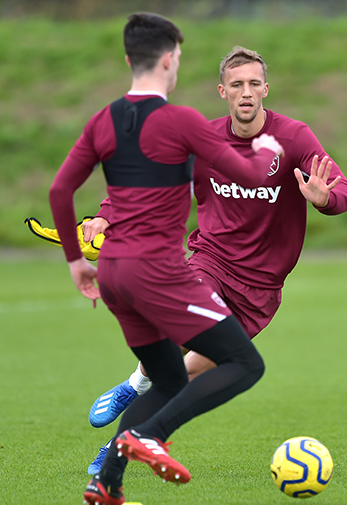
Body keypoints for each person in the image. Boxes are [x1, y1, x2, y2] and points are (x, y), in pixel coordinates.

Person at [82, 45, 347, 475]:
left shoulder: (294, 138)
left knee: (189, 376)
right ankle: (134, 390)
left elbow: (345, 191)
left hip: (261, 291)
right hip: (210, 262)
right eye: (236, 85)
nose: (245, 92)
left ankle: (121, 440)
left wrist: (326, 199)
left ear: (266, 89)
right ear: (222, 92)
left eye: (253, 84)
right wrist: (103, 215)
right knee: (179, 339)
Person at [48, 14, 284, 505]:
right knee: (244, 362)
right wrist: (266, 154)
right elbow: (246, 170)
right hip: (158, 272)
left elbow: (60, 190)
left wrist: (76, 263)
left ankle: (106, 481)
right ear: (169, 59)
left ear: (128, 59)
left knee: (170, 377)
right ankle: (147, 435)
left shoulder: (104, 119)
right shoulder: (182, 121)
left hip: (112, 276)